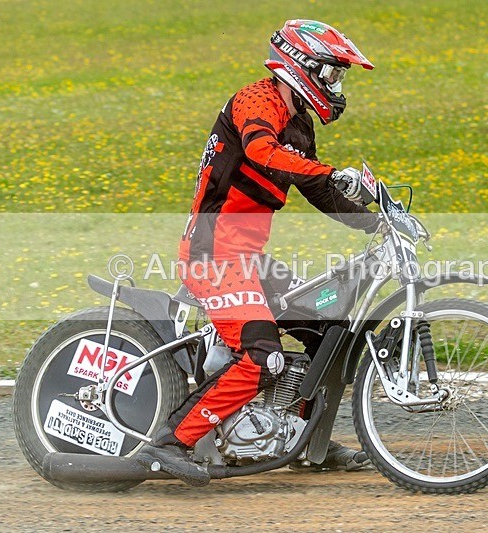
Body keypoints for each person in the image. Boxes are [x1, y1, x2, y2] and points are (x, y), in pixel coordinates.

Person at [136, 19, 379, 486]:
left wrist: (380, 221)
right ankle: (171, 442)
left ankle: (311, 444)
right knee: (262, 355)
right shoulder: (255, 100)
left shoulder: (300, 125)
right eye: (332, 73)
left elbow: (320, 192)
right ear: (303, 64)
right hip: (213, 254)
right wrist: (330, 171)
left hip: (247, 259)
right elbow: (261, 150)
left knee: (330, 328)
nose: (337, 85)